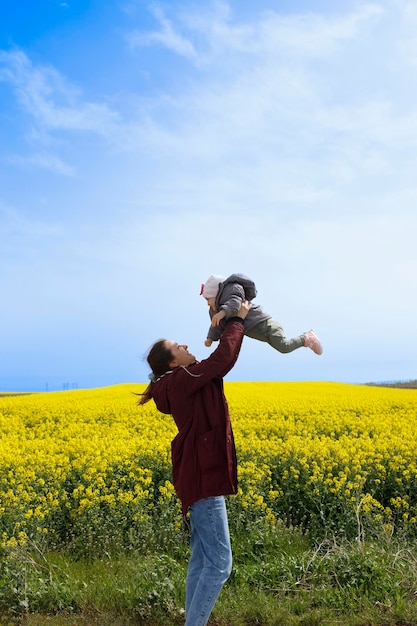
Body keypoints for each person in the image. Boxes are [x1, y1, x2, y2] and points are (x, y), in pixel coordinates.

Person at [138, 300, 251, 626]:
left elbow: (217, 361)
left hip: (198, 475)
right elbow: (221, 360)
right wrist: (239, 321)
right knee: (219, 564)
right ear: (171, 362)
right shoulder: (181, 380)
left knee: (202, 560)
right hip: (203, 477)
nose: (185, 345)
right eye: (178, 346)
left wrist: (222, 323)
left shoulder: (179, 380)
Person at [201, 272, 323, 356]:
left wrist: (222, 312)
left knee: (284, 347)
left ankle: (307, 338)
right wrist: (211, 338)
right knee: (281, 348)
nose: (207, 304)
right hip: (259, 333)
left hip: (267, 326)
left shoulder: (232, 292)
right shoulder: (214, 312)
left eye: (208, 299)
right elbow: (216, 325)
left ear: (217, 294)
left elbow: (234, 303)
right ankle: (307, 339)